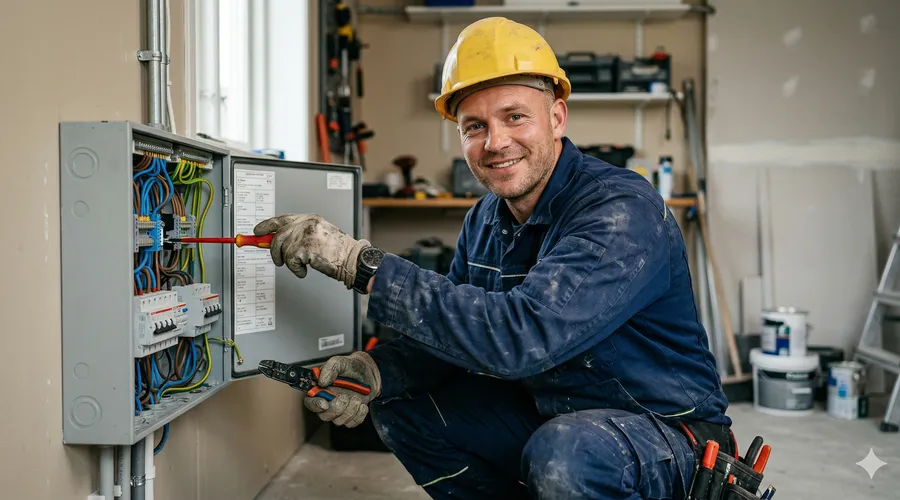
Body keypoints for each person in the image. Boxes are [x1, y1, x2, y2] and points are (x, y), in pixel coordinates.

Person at [253, 16, 734, 500]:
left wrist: (363, 265)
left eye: (515, 117)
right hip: (554, 413)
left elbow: (522, 336)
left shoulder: (618, 210)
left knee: (565, 456)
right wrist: (378, 371)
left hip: (668, 436)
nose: (495, 142)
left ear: (557, 118)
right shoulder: (486, 219)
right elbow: (453, 340)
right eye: (474, 126)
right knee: (402, 408)